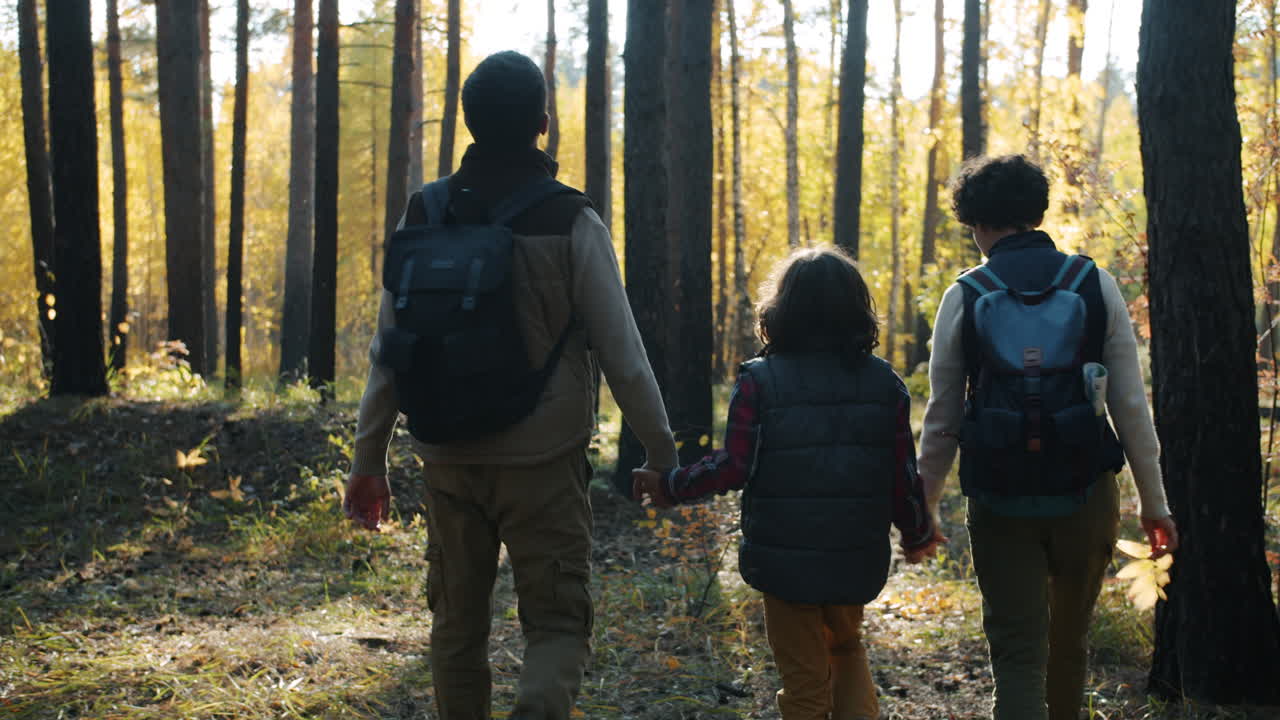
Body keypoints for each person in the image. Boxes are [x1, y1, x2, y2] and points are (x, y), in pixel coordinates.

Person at [343, 51, 678, 720]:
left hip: (446, 458)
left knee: (455, 628)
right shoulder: (570, 219)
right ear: (543, 124)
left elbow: (390, 350)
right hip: (542, 463)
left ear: (468, 122)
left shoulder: (425, 212)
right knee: (556, 625)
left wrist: (367, 459)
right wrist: (662, 454)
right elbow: (624, 354)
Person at [916, 154, 1180, 720]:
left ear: (975, 222)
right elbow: (1130, 408)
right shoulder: (1093, 282)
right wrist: (1155, 506)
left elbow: (942, 417)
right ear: (1037, 212)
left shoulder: (965, 293)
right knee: (1069, 645)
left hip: (998, 495)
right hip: (1086, 492)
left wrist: (924, 508)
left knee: (1016, 655)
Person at [634, 247, 939, 720]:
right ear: (856, 312)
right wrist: (917, 533)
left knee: (803, 681)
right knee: (848, 650)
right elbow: (901, 474)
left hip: (784, 560)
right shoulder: (885, 383)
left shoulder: (760, 381)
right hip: (855, 554)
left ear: (781, 312)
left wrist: (671, 485)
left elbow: (734, 465)